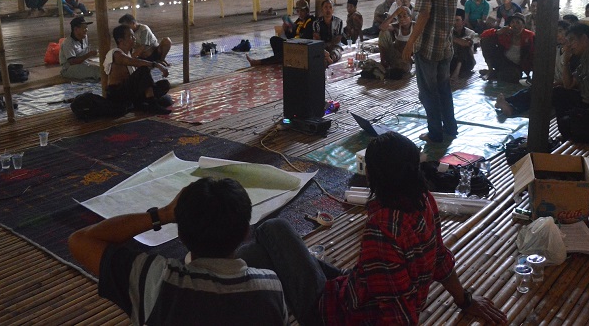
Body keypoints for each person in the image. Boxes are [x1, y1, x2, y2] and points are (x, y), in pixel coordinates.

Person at [236, 132, 508, 325]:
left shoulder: (383, 228)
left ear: (373, 176)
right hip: (357, 290)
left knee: (273, 228)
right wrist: (465, 300)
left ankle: (216, 275)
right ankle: (224, 274)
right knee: (266, 252)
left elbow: (395, 312)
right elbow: (438, 256)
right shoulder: (424, 200)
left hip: (334, 315)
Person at [68, 177, 288, 325]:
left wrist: (163, 214)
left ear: (181, 236)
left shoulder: (155, 280)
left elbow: (81, 239)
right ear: (246, 233)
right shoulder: (271, 288)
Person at [402, 0, 461, 143]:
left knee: (428, 92)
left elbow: (424, 15)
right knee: (444, 88)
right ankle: (451, 128)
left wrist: (410, 43)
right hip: (445, 46)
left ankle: (435, 133)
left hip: (427, 46)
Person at [496, 20, 570, 116]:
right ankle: (507, 101)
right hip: (554, 83)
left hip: (562, 87)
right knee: (531, 89)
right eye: (555, 32)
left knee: (537, 94)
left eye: (560, 31)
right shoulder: (557, 49)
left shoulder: (571, 53)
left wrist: (553, 84)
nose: (557, 35)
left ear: (568, 33)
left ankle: (513, 109)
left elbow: (569, 81)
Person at [104, 24, 171, 114]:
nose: (134, 38)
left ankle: (143, 103)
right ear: (121, 40)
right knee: (143, 69)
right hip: (118, 93)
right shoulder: (116, 54)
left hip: (130, 92)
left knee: (164, 86)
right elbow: (134, 62)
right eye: (131, 36)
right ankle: (152, 104)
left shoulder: (129, 53)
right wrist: (157, 65)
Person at [248, 0, 314, 66]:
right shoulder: (298, 21)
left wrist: (293, 39)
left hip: (302, 47)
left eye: (302, 11)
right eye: (298, 11)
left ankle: (259, 62)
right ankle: (279, 59)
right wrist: (286, 29)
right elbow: (291, 36)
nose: (300, 13)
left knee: (285, 53)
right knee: (274, 40)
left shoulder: (310, 21)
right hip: (293, 44)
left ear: (307, 11)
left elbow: (306, 37)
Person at [479, 13, 534, 83]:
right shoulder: (505, 32)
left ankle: (494, 73)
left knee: (513, 76)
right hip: (503, 60)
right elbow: (483, 35)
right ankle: (490, 70)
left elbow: (533, 53)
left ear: (523, 25)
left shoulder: (529, 36)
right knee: (486, 40)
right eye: (512, 22)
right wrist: (498, 31)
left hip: (517, 65)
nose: (514, 25)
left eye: (518, 23)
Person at [378, 5, 415, 79]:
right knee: (383, 33)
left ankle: (393, 67)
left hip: (406, 57)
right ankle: (384, 62)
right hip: (395, 53)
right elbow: (382, 27)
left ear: (410, 18)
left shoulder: (415, 26)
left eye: (405, 16)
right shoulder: (397, 26)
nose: (402, 19)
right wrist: (394, 14)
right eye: (399, 17)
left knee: (404, 67)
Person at [59, 16, 100, 81]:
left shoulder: (84, 37)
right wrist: (89, 54)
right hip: (69, 68)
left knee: (101, 68)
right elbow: (72, 62)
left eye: (86, 27)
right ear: (76, 29)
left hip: (83, 65)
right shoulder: (68, 43)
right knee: (96, 71)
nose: (86, 30)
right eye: (84, 28)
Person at [313, 0, 344, 65]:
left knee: (336, 52)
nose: (328, 10)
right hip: (322, 46)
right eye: (326, 7)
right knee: (316, 52)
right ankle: (326, 58)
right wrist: (324, 46)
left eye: (330, 7)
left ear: (333, 10)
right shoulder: (316, 23)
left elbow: (339, 37)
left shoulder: (339, 21)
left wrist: (330, 45)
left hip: (334, 45)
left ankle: (329, 59)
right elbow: (316, 37)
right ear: (322, 9)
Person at [451, 9, 477, 79]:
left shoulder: (470, 33)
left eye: (457, 20)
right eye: (453, 20)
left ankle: (457, 72)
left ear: (463, 22)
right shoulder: (450, 32)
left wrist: (452, 39)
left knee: (464, 46)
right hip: (452, 60)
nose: (454, 23)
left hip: (467, 62)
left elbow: (466, 43)